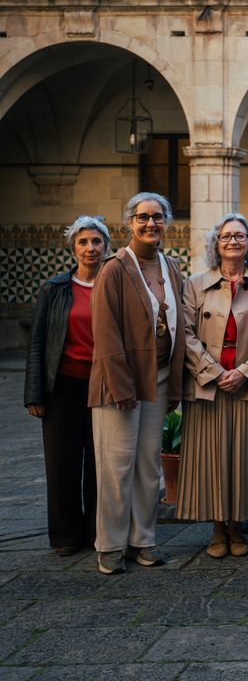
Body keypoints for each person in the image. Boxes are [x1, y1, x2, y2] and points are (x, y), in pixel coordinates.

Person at [89, 192, 185, 575]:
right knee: (116, 464)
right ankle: (110, 545)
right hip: (120, 384)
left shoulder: (172, 266)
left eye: (157, 217)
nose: (150, 224)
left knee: (148, 465)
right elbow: (105, 331)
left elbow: (179, 327)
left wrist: (175, 383)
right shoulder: (113, 269)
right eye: (142, 217)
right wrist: (121, 385)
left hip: (158, 379)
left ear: (166, 222)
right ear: (129, 222)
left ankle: (143, 540)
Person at [177, 213, 248, 558]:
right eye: (226, 236)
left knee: (244, 458)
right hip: (209, 385)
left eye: (240, 236)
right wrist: (214, 372)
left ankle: (237, 528)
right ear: (216, 244)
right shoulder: (194, 284)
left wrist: (247, 372)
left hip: (247, 385)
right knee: (211, 457)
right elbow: (185, 335)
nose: (233, 241)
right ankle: (217, 530)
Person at [25, 216, 112, 556]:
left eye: (96, 241)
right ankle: (64, 536)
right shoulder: (55, 288)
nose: (90, 248)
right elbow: (38, 342)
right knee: (61, 462)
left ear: (106, 246)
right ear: (74, 248)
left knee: (99, 463)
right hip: (61, 386)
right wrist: (34, 393)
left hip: (102, 386)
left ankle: (95, 532)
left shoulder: (114, 284)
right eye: (83, 242)